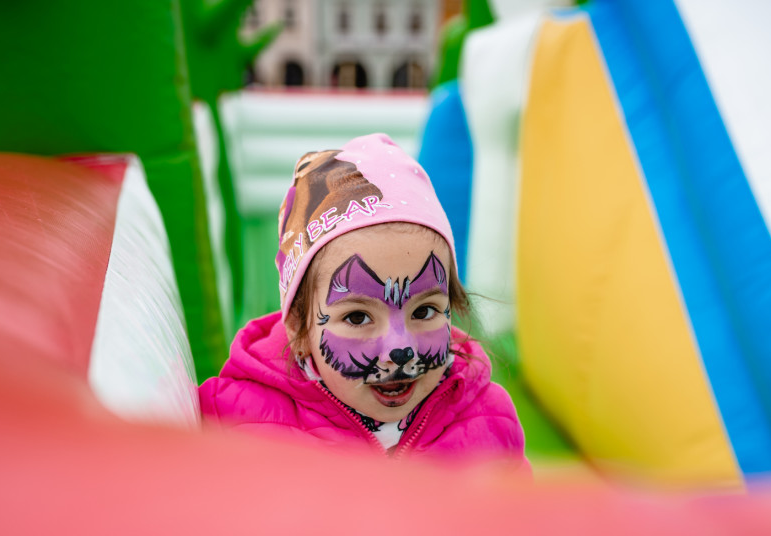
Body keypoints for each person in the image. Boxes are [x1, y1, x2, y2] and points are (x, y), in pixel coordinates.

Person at [199, 133, 528, 472]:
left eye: (424, 311)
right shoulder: (233, 424)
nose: (401, 349)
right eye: (357, 317)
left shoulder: (490, 423)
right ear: (298, 326)